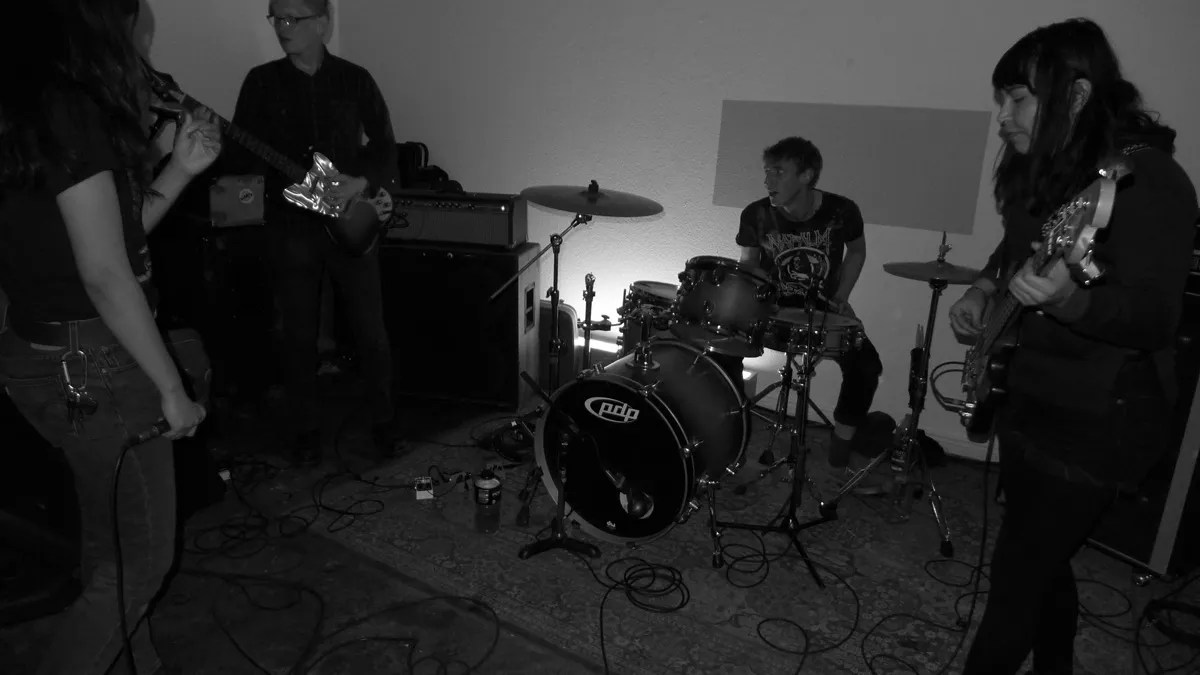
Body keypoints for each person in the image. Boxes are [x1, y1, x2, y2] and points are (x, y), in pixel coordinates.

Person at [947, 18, 1197, 674]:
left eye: (1017, 98)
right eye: (1002, 99)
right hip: (1031, 392)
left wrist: (1069, 302)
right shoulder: (1053, 169)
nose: (1002, 115)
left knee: (1016, 576)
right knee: (1042, 561)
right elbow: (1019, 247)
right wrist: (982, 288)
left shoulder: (1149, 183)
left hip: (1099, 418)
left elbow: (1154, 319)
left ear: (1077, 96)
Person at [0, 1, 220, 673]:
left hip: (44, 354)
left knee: (110, 546)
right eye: (136, 33)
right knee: (144, 559)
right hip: (93, 362)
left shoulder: (32, 107)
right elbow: (104, 275)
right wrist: (171, 389)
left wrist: (178, 169)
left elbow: (107, 244)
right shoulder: (71, 110)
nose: (141, 52)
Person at [223, 0, 402, 465]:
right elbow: (241, 160)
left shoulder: (354, 79)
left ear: (322, 23)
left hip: (350, 219)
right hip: (291, 226)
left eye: (293, 18)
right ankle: (304, 431)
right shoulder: (261, 82)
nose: (282, 27)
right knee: (297, 334)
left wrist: (362, 182)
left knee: (370, 328)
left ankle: (384, 421)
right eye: (276, 18)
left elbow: (384, 145)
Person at [734, 136, 887, 493]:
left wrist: (842, 297)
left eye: (778, 172)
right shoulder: (756, 214)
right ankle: (731, 443)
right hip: (772, 310)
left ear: (806, 175)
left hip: (821, 310)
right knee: (723, 351)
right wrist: (753, 300)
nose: (768, 180)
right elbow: (748, 264)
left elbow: (857, 251)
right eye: (767, 171)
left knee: (866, 365)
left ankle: (840, 455)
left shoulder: (842, 211)